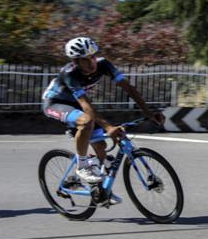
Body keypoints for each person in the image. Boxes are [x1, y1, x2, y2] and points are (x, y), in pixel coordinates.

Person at [41, 36, 166, 193]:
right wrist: (108, 127)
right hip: (55, 103)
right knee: (86, 121)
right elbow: (86, 104)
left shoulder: (103, 64)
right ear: (75, 61)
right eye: (85, 60)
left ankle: (99, 191)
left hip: (76, 104)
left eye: (92, 57)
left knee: (101, 146)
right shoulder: (70, 73)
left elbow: (129, 88)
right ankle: (82, 166)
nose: (91, 62)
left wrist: (149, 113)